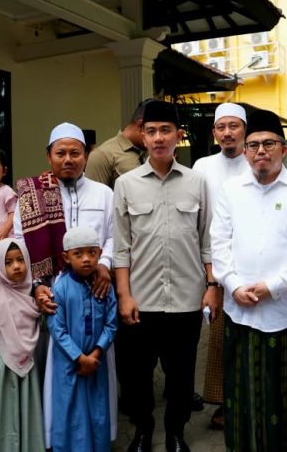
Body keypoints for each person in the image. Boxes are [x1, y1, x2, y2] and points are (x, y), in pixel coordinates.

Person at [211, 109, 287, 451]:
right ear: (245, 152)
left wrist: (272, 285)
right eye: (254, 144)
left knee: (279, 394)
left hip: (283, 313)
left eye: (269, 143)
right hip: (238, 310)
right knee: (239, 391)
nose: (261, 151)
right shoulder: (231, 191)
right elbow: (219, 242)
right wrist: (232, 284)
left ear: (283, 149)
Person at [114, 100, 219, 452]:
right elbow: (122, 248)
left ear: (179, 136)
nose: (158, 138)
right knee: (138, 375)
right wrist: (124, 295)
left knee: (180, 374)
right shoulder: (126, 185)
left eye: (165, 131)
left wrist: (211, 286)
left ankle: (176, 433)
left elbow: (207, 239)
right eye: (151, 131)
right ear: (142, 136)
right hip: (140, 300)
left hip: (186, 298)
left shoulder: (197, 182)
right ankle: (143, 431)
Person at [12, 122, 117, 448]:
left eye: (76, 152)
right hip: (54, 293)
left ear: (86, 155)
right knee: (58, 367)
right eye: (61, 153)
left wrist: (104, 264)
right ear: (49, 156)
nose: (68, 159)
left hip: (97, 292)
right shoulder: (31, 195)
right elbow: (19, 244)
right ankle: (58, 437)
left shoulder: (104, 193)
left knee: (98, 364)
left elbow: (115, 237)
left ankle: (101, 434)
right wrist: (36, 287)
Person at [191, 102, 250, 430]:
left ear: (244, 130)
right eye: (221, 127)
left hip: (252, 264)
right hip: (214, 264)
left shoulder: (256, 160)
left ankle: (249, 399)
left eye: (234, 126)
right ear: (214, 133)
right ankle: (226, 401)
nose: (227, 133)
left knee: (249, 334)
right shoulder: (202, 165)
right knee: (220, 336)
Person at [0, 238, 45, 451]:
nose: (16, 266)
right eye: (9, 262)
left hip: (26, 368)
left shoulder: (31, 298)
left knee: (25, 414)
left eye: (21, 260)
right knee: (0, 415)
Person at [48, 226, 117, 452]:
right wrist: (79, 358)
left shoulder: (104, 287)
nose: (86, 259)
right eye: (78, 254)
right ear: (66, 257)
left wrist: (96, 353)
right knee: (70, 411)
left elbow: (111, 323)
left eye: (92, 253)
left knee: (98, 413)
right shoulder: (60, 288)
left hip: (96, 362)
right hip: (70, 365)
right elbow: (57, 329)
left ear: (99, 253)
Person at [85, 98, 154, 188]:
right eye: (153, 131)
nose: (157, 138)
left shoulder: (153, 153)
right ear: (141, 125)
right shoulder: (102, 155)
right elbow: (95, 199)